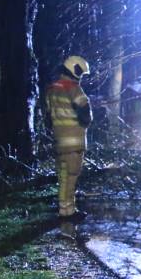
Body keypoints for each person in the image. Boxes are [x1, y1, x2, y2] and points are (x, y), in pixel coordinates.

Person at [46, 55, 92, 221]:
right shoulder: (74, 89)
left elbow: (48, 117)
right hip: (74, 142)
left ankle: (64, 210)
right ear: (75, 70)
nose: (81, 77)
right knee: (71, 177)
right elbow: (86, 116)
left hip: (59, 141)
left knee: (63, 177)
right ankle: (69, 212)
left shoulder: (52, 89)